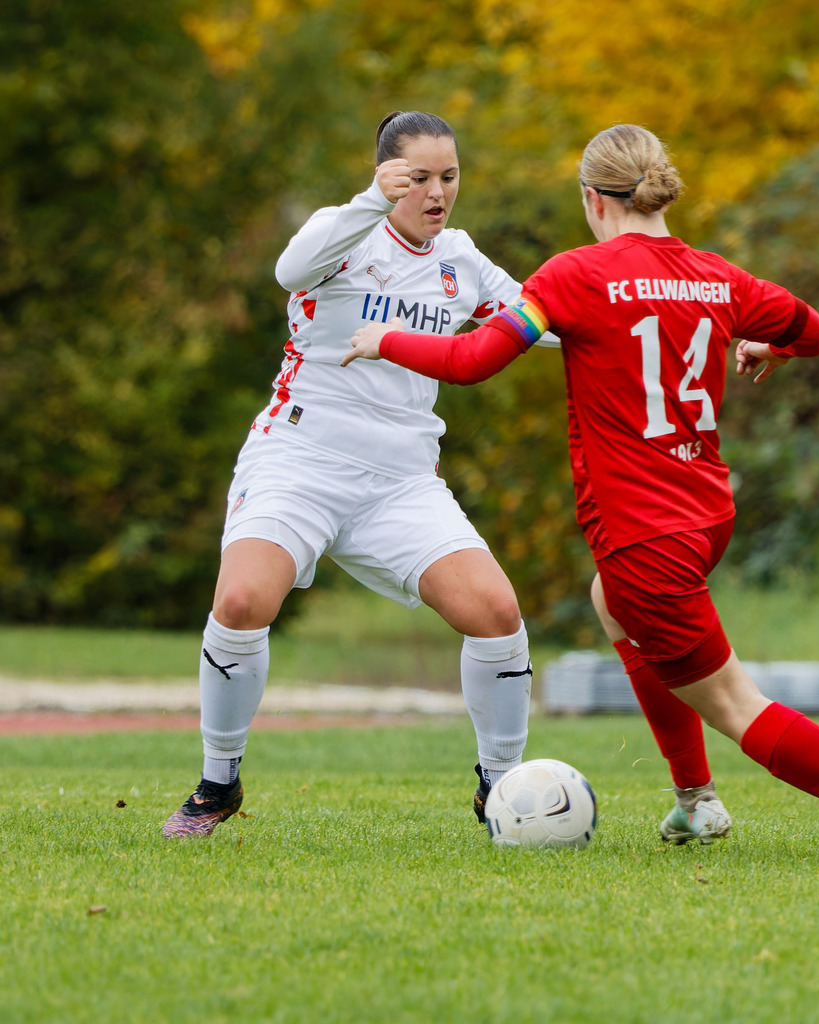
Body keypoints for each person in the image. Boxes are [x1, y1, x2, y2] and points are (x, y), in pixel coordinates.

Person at [342, 123, 819, 862]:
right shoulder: (718, 277)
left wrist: (383, 340)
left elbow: (473, 360)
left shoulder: (573, 276)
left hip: (644, 532)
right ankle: (696, 800)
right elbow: (815, 330)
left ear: (593, 199)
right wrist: (771, 345)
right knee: (611, 603)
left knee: (734, 703)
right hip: (705, 514)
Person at [163, 111, 546, 838]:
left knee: (496, 613)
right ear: (388, 174)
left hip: (401, 481)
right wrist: (371, 199)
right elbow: (289, 271)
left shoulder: (461, 259)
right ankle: (217, 785)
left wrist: (630, 318)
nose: (438, 192)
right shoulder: (345, 230)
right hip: (299, 459)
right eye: (420, 177)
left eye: (450, 176)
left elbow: (539, 318)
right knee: (241, 601)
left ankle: (500, 791)